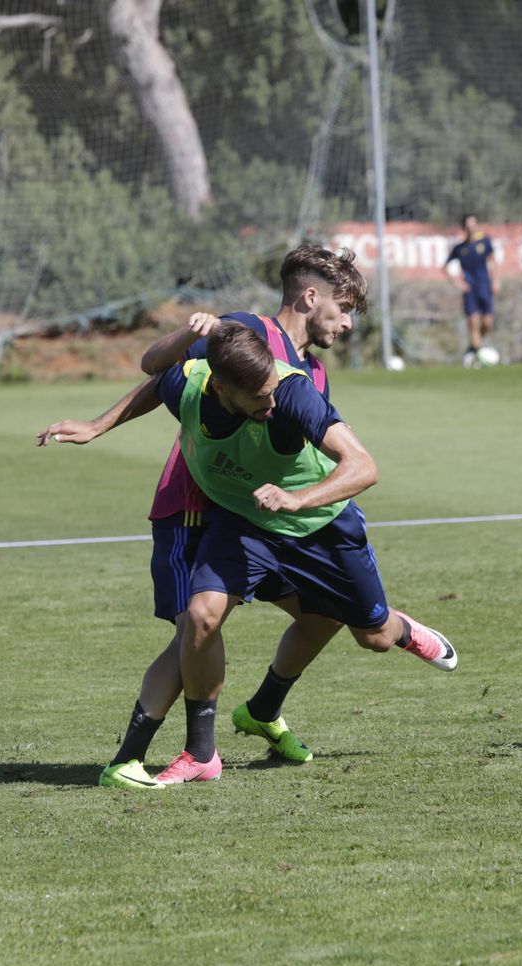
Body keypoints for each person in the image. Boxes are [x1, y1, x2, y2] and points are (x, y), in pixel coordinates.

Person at [37, 245, 369, 789]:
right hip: (195, 508)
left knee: (324, 611)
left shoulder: (311, 372)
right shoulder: (245, 331)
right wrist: (98, 425)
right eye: (345, 307)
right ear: (311, 297)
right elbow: (163, 373)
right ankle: (153, 755)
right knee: (195, 627)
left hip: (255, 522)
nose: (349, 322)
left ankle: (263, 711)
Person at [141, 321, 459, 785]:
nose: (271, 404)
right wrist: (96, 425)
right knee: (201, 615)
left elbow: (365, 467)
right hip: (245, 520)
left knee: (373, 637)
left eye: (272, 391)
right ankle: (201, 754)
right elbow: (152, 371)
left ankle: (401, 628)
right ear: (224, 388)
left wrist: (297, 499)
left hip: (320, 526)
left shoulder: (292, 392)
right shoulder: (194, 382)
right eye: (259, 397)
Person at [443, 213, 498, 365]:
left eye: (473, 226)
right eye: (468, 226)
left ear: (477, 226)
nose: (471, 229)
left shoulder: (485, 242)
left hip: (485, 286)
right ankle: (478, 357)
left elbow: (493, 262)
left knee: (487, 324)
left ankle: (473, 348)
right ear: (464, 228)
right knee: (473, 324)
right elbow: (445, 267)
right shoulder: (460, 248)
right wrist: (457, 282)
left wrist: (496, 280)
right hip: (470, 290)